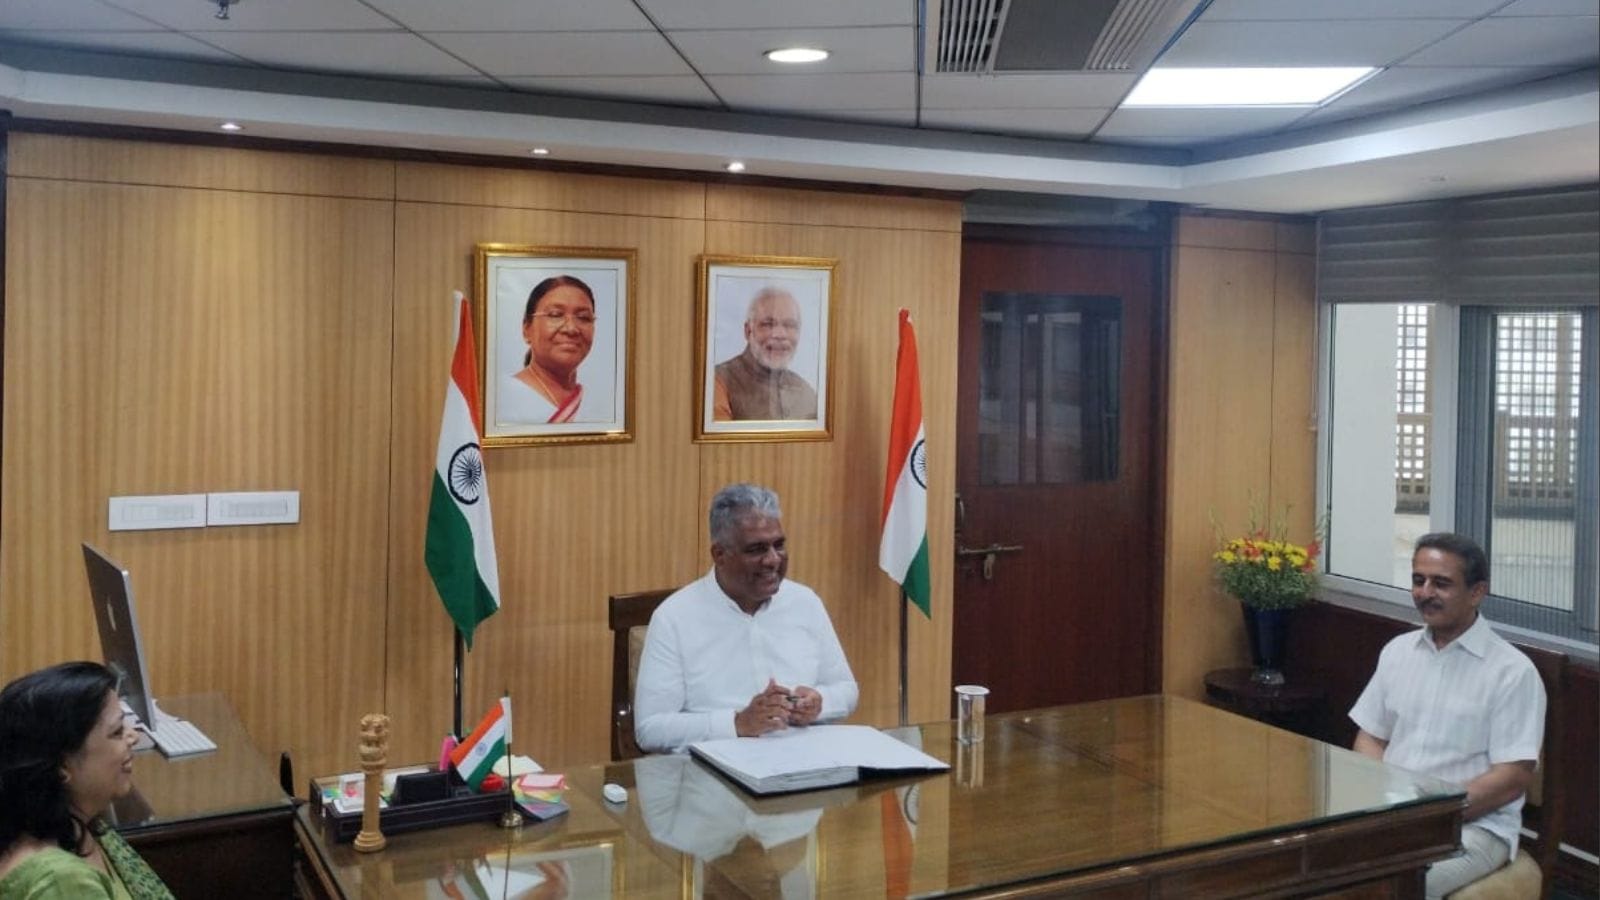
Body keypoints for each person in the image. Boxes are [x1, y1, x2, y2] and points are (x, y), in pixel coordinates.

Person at [1348, 533, 1545, 900]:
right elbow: (1370, 737)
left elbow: (1513, 776)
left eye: (1441, 583)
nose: (1425, 592)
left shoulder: (1512, 672)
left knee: (1383, 891)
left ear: (1477, 592)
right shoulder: (1397, 651)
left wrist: (1430, 816)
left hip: (1473, 828)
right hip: (1393, 818)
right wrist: (1385, 802)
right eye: (1418, 580)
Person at [633, 483, 857, 753]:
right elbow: (650, 729)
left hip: (806, 761)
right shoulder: (674, 618)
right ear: (719, 555)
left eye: (779, 545)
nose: (773, 560)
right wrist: (737, 723)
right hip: (715, 776)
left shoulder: (804, 602)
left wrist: (821, 702)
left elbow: (846, 689)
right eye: (756, 550)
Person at [0, 662, 174, 900]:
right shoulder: (61, 884)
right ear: (62, 766)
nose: (133, 736)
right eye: (116, 732)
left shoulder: (78, 826)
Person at [501, 275, 597, 424]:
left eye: (583, 317)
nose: (571, 329)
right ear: (527, 329)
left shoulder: (600, 404)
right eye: (555, 315)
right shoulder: (502, 398)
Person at [712, 287, 818, 421]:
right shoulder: (719, 382)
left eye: (789, 325)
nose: (779, 335)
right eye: (768, 324)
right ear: (748, 331)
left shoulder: (806, 392)